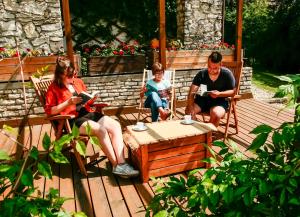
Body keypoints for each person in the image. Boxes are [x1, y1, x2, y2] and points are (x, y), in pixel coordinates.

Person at [45, 56, 139, 178]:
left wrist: (92, 99)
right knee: (101, 130)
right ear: (60, 75)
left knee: (115, 125)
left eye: (73, 74)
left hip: (87, 113)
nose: (72, 78)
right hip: (71, 120)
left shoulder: (77, 82)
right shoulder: (53, 88)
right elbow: (49, 111)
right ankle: (116, 166)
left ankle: (121, 163)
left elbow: (85, 102)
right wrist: (68, 102)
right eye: (69, 76)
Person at [185, 51, 236, 127]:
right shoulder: (202, 74)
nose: (211, 70)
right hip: (203, 100)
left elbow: (233, 92)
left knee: (216, 114)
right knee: (188, 112)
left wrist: (219, 94)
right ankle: (197, 132)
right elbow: (192, 92)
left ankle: (207, 134)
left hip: (220, 102)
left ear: (220, 64)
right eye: (209, 67)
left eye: (215, 68)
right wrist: (191, 107)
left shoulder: (227, 74)